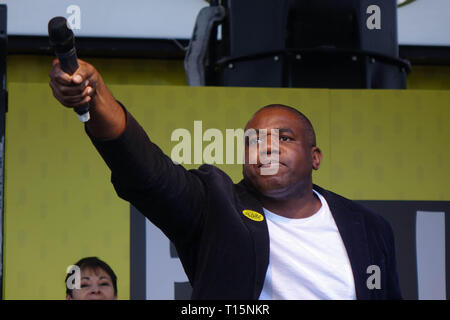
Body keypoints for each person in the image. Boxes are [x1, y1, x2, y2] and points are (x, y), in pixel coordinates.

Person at [49, 59, 402, 300]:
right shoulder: (216, 206)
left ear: (315, 157)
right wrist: (96, 100)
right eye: (254, 141)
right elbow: (146, 171)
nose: (267, 148)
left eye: (285, 137)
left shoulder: (369, 227)